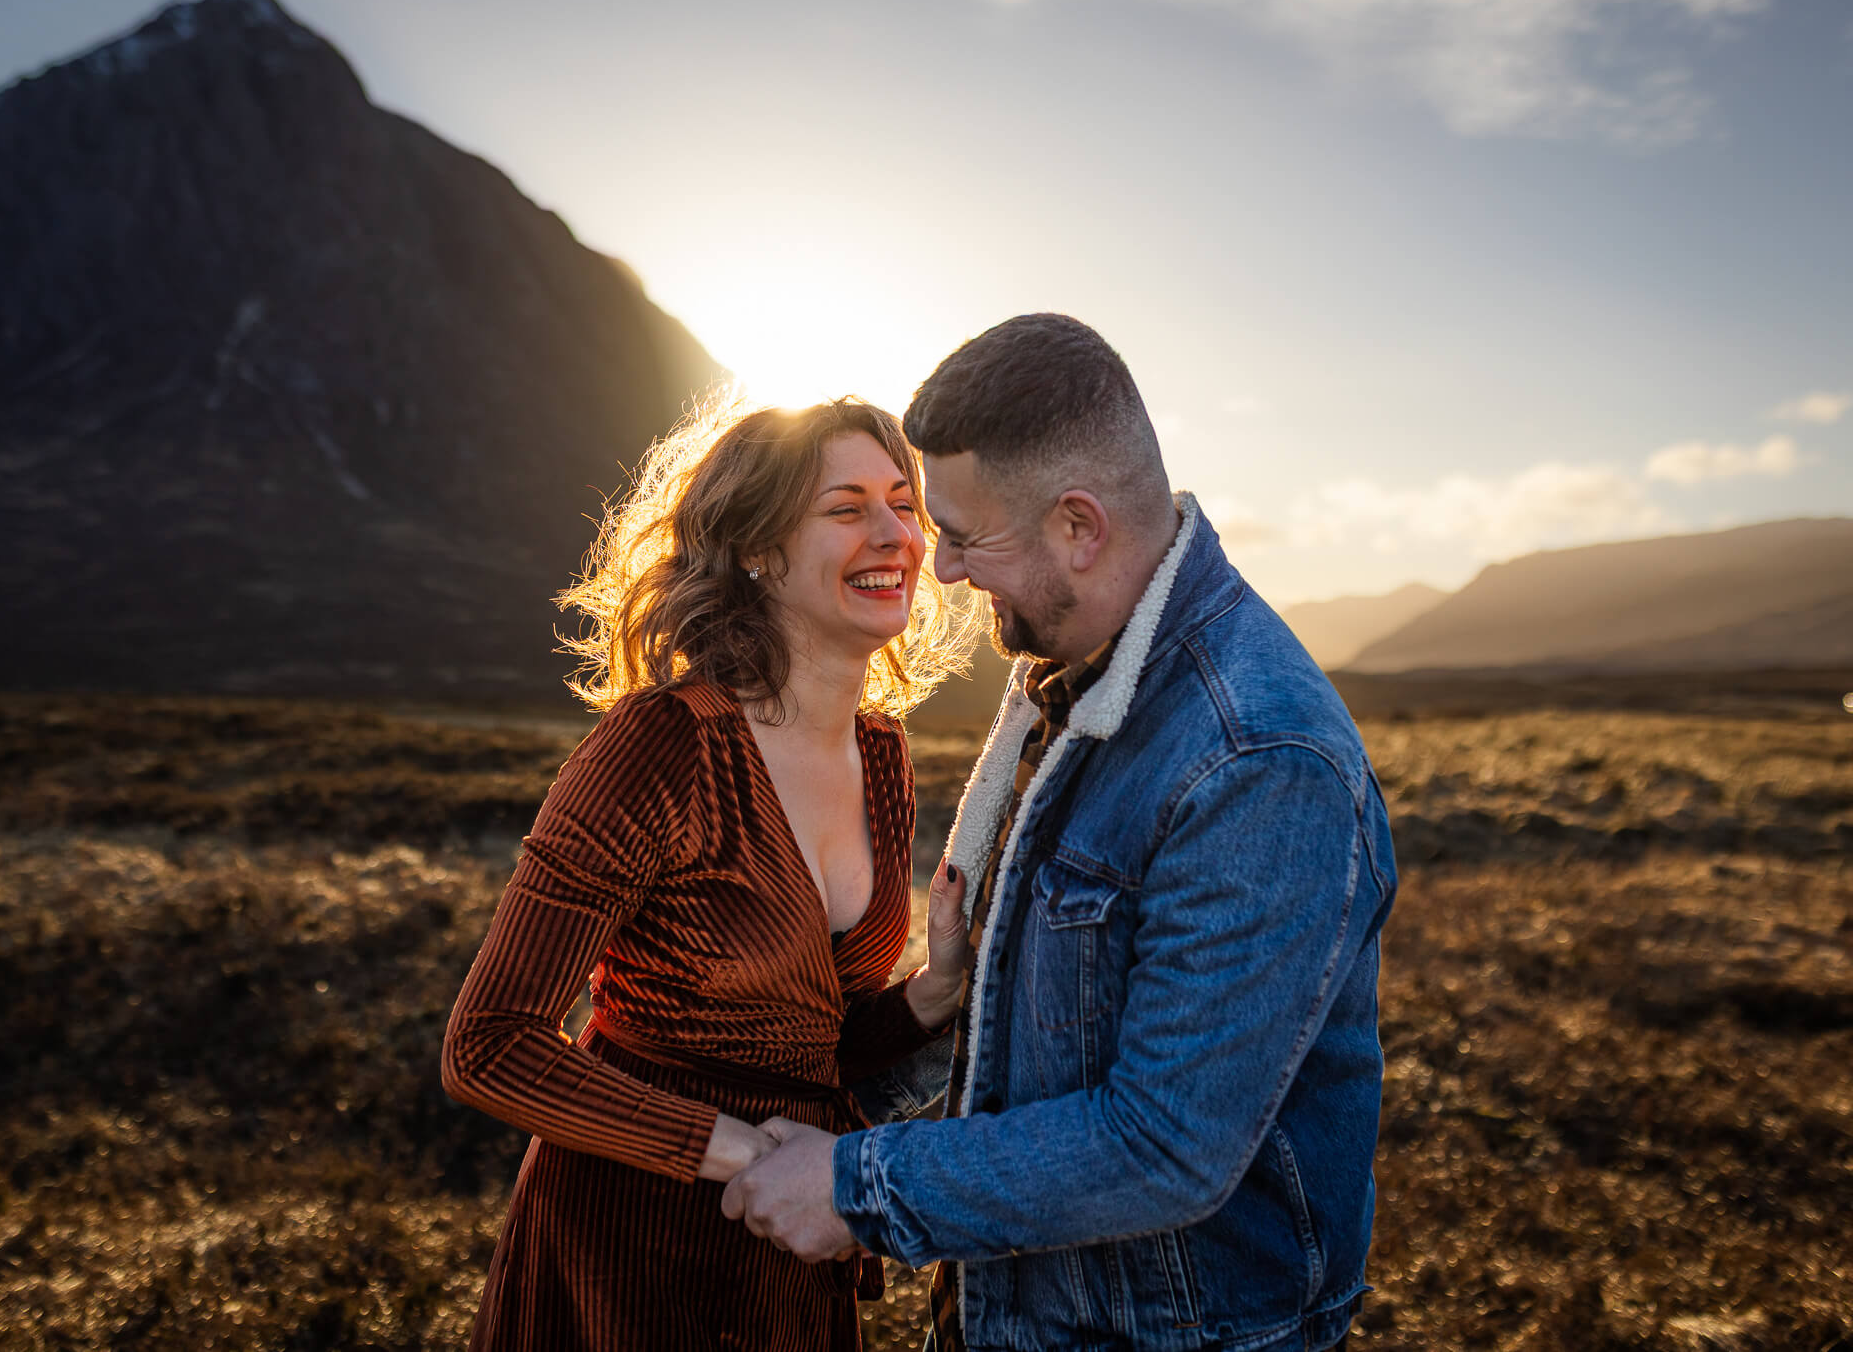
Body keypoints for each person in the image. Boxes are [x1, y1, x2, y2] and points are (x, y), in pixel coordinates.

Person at [723, 315, 1397, 1352]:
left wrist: (858, 1186)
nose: (937, 567)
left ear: (1077, 528)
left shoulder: (1256, 762)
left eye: (961, 534)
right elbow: (1051, 1049)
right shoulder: (1067, 671)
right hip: (1028, 1312)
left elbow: (1165, 1145)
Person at [440, 394, 974, 1352]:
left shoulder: (883, 755)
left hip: (792, 1246)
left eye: (905, 503)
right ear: (760, 549)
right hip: (628, 1252)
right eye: (847, 508)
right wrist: (730, 1151)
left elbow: (808, 1045)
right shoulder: (660, 746)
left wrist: (926, 998)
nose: (896, 532)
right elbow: (489, 1044)